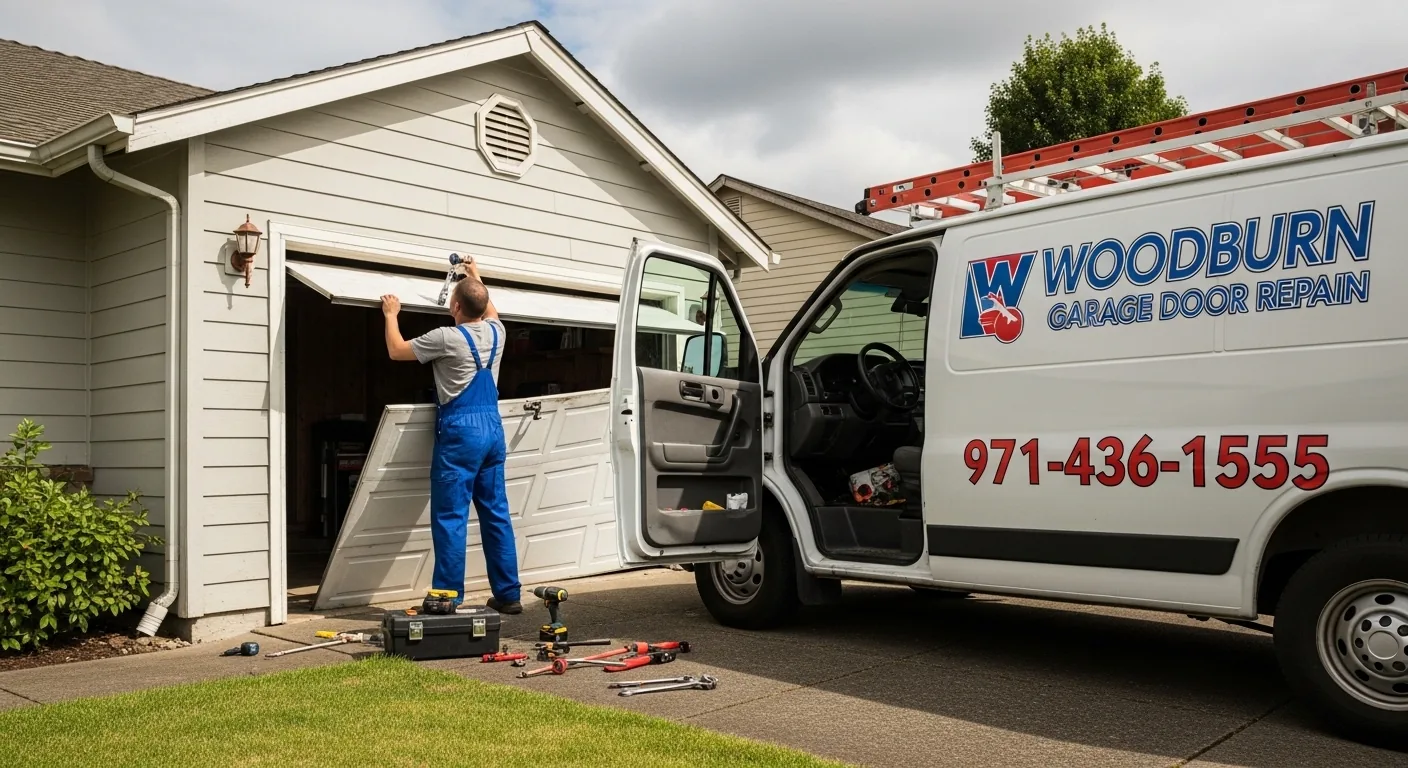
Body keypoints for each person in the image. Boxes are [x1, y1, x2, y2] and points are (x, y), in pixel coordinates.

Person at [380, 257, 522, 614]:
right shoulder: (497, 332)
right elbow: (490, 309)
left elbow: (396, 351)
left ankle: (446, 596)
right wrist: (474, 276)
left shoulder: (446, 337)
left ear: (455, 305)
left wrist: (390, 314)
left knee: (450, 515)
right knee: (496, 514)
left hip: (461, 433)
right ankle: (508, 595)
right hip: (492, 430)